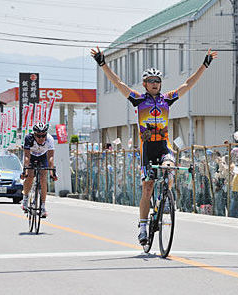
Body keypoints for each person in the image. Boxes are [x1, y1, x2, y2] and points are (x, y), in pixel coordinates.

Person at [91, 45, 218, 244]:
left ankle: (166, 199)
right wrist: (103, 63)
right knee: (147, 188)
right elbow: (118, 83)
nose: (155, 84)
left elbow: (188, 84)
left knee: (169, 169)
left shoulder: (167, 99)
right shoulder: (138, 99)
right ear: (144, 84)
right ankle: (142, 226)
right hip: (147, 150)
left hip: (163, 146)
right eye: (151, 81)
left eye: (157, 81)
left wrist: (205, 64)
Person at [20, 122, 58, 218]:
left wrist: (52, 172)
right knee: (30, 176)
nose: (41, 138)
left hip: (43, 156)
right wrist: (25, 171)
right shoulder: (29, 138)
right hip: (31, 156)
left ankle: (43, 206)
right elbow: (27, 157)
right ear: (34, 134)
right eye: (38, 136)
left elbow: (50, 158)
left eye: (43, 136)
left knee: (43, 179)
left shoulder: (49, 139)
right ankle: (25, 198)